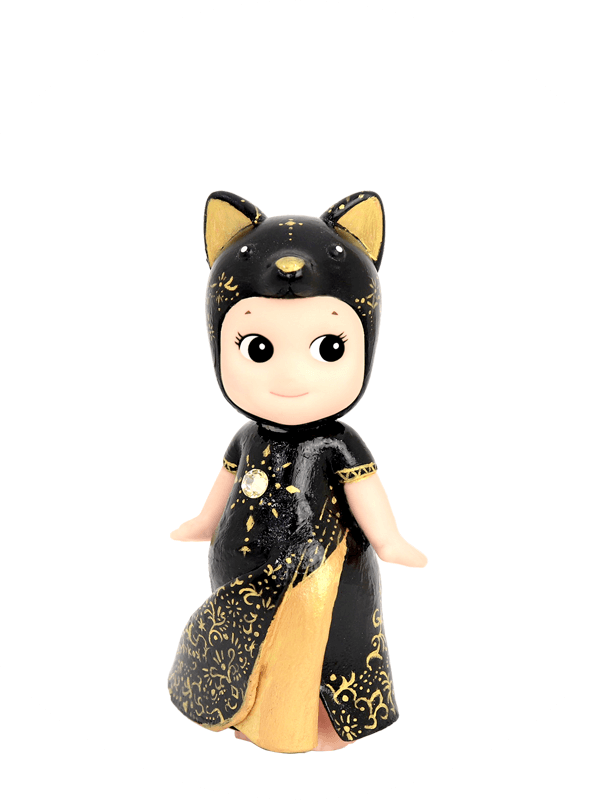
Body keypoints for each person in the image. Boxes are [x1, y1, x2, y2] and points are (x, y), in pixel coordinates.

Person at [168, 191, 427, 753]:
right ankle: (252, 713)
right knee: (247, 643)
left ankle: (315, 723)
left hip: (321, 565)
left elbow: (365, 492)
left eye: (329, 347)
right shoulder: (248, 437)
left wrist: (389, 540)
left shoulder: (337, 443)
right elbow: (225, 482)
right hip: (240, 563)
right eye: (258, 348)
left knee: (319, 641)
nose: (290, 376)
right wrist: (203, 521)